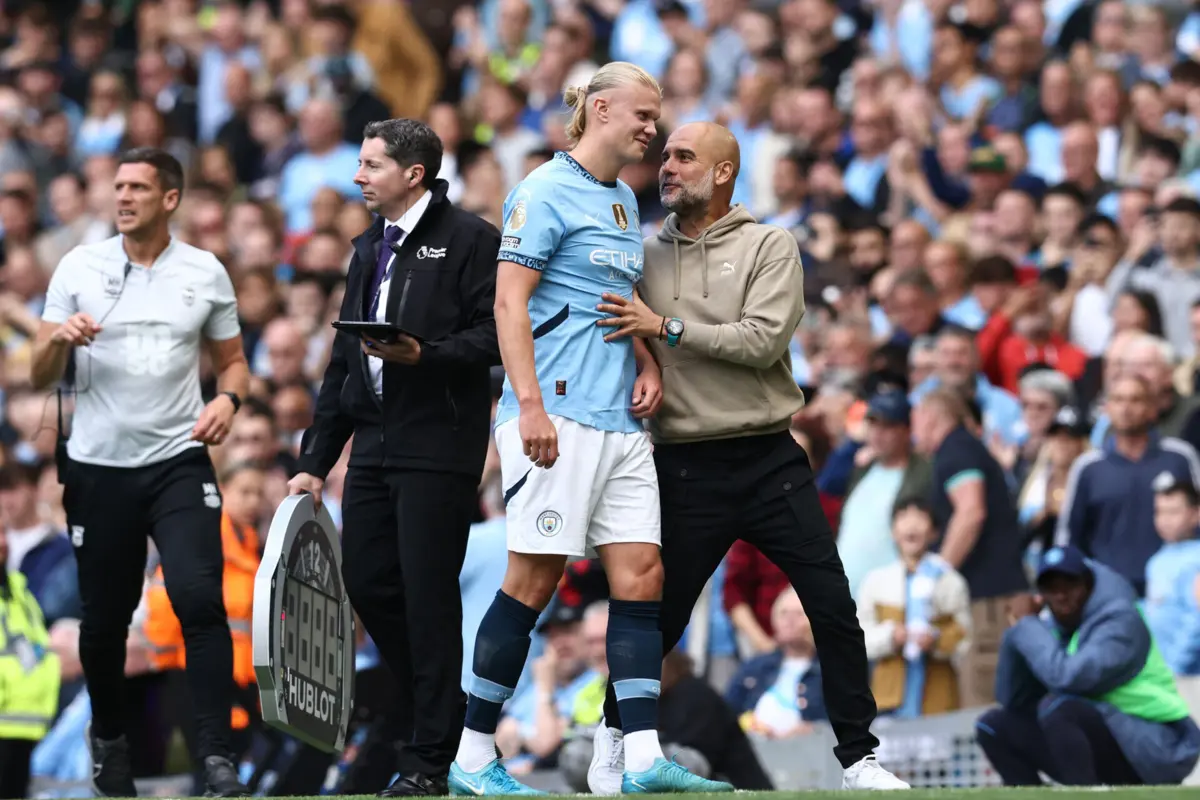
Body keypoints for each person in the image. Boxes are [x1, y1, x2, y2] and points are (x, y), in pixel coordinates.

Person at [594, 121, 908, 790]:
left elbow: (761, 342)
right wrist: (647, 356)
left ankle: (859, 758)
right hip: (683, 460)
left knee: (830, 603)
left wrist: (664, 328)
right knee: (660, 615)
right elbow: (621, 336)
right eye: (666, 156)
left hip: (769, 457)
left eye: (683, 157)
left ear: (724, 171)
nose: (667, 167)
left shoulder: (771, 244)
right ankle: (614, 740)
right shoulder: (644, 254)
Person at [449, 63, 732, 797]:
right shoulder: (543, 190)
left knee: (644, 577)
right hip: (557, 414)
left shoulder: (616, 201)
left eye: (656, 117)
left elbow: (610, 295)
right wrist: (530, 405)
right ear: (600, 109)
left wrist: (644, 356)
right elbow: (511, 306)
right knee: (533, 579)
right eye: (643, 115)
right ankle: (473, 754)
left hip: (618, 418)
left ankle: (639, 760)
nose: (652, 129)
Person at [288, 118, 503, 797]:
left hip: (440, 443)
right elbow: (340, 366)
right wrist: (315, 461)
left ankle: (431, 758)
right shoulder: (368, 248)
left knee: (428, 594)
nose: (358, 176)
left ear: (413, 174)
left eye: (371, 164)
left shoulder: (471, 240)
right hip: (375, 442)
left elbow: (496, 336)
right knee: (369, 581)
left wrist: (425, 357)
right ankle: (448, 716)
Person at [30, 147, 250, 798]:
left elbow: (233, 362)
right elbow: (35, 375)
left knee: (198, 598)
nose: (123, 197)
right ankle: (111, 740)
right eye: (118, 187)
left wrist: (227, 400)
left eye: (137, 188)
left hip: (178, 460)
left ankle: (217, 760)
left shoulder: (204, 272)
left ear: (170, 199)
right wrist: (57, 340)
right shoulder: (78, 266)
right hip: (98, 468)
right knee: (104, 620)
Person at [975, 545, 1200, 786]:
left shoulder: (1121, 620)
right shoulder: (1055, 624)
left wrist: (1028, 624)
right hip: (1107, 740)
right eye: (1051, 588)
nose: (1061, 596)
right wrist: (1017, 629)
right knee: (993, 725)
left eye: (1070, 585)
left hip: (1155, 748)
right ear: (1041, 594)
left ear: (1089, 585)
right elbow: (1011, 699)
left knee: (1059, 708)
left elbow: (1067, 678)